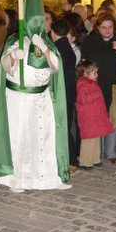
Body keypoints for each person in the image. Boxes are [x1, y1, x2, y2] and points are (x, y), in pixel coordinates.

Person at [0, 0, 71, 192]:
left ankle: (48, 178)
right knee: (20, 137)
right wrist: (14, 57)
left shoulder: (47, 41)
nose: (39, 24)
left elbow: (56, 69)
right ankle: (16, 178)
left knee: (43, 138)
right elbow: (4, 67)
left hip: (41, 97)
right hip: (19, 97)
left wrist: (46, 47)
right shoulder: (14, 39)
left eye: (43, 21)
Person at [80, 13, 116, 163]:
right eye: (103, 27)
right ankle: (95, 152)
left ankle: (112, 152)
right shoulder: (90, 41)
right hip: (95, 85)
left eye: (110, 27)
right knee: (96, 117)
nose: (107, 30)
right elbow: (84, 62)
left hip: (115, 84)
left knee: (113, 118)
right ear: (98, 28)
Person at [76, 60, 114, 170]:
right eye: (94, 73)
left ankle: (94, 158)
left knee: (96, 137)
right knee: (88, 139)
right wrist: (96, 95)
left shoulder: (92, 83)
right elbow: (82, 99)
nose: (97, 75)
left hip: (95, 116)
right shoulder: (82, 84)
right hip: (88, 117)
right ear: (85, 74)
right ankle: (85, 161)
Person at [51, 18, 78, 173]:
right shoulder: (67, 47)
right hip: (68, 92)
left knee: (62, 127)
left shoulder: (57, 48)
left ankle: (70, 160)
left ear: (53, 32)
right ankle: (70, 159)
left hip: (61, 93)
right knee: (65, 126)